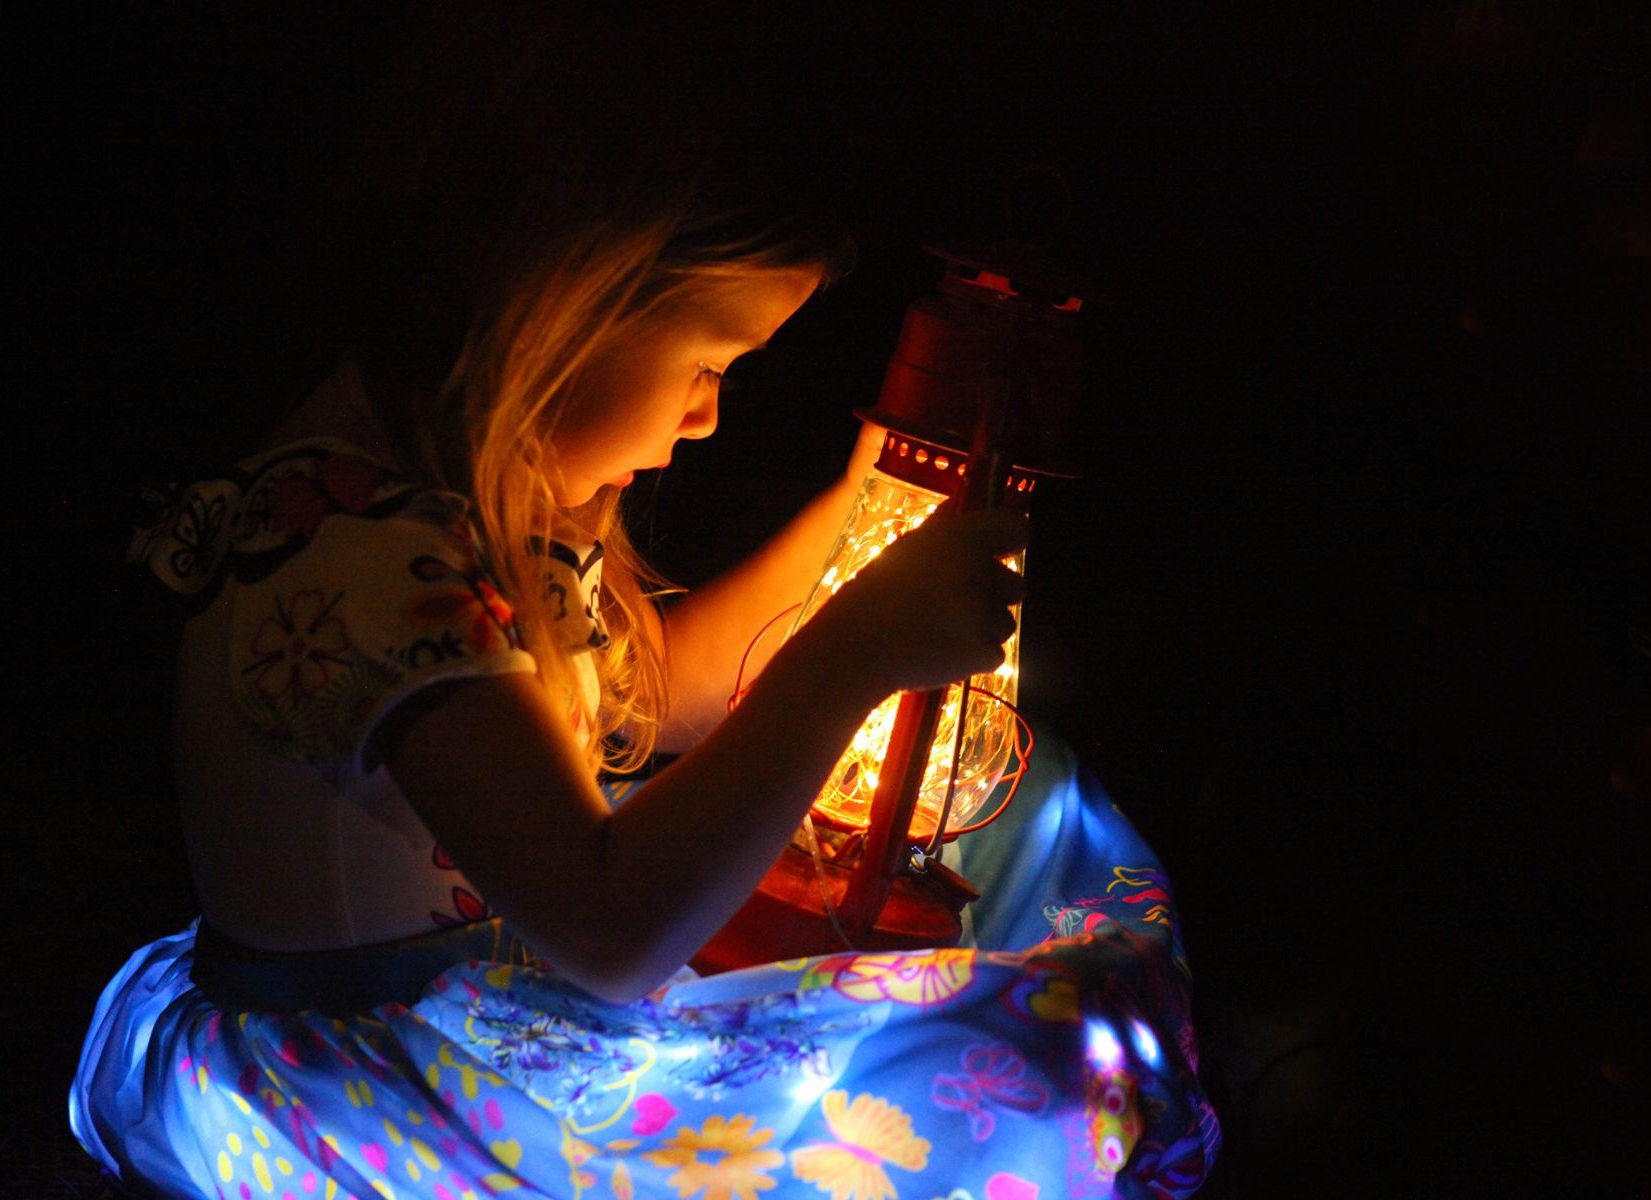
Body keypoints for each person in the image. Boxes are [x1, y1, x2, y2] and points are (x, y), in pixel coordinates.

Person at [71, 9, 1217, 1198]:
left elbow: (657, 694)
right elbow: (613, 930)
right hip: (393, 1103)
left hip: (508, 1018)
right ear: (563, 292)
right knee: (1033, 1066)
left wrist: (876, 491)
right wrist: (848, 656)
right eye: (709, 363)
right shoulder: (357, 569)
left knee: (1027, 816)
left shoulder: (444, 503)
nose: (708, 415)